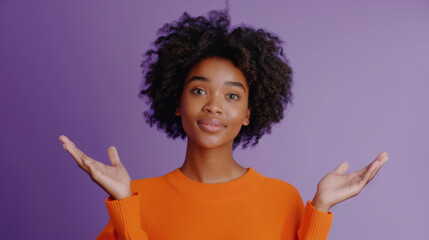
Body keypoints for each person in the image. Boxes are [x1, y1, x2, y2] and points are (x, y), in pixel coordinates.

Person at [58, 7, 388, 240]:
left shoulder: (283, 198)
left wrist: (320, 209)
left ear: (249, 113)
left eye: (232, 96)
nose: (214, 106)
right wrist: (124, 205)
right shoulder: (134, 198)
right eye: (199, 90)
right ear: (177, 102)